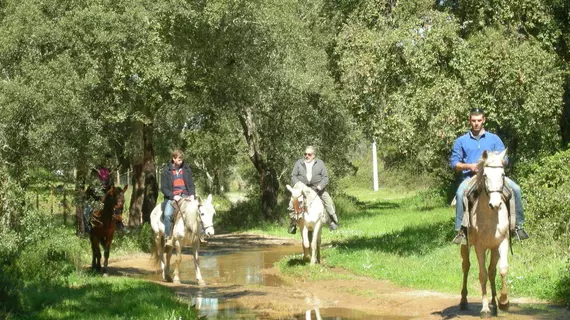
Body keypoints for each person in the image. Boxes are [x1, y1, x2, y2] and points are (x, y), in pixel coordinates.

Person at [450, 108, 529, 244]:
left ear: (484, 120)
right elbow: (454, 163)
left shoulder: (494, 139)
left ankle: (517, 227)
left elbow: (506, 159)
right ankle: (461, 231)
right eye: (474, 121)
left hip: (493, 176)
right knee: (460, 191)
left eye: (479, 120)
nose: (476, 123)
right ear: (470, 121)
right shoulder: (461, 141)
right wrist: (469, 166)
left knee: (516, 189)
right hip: (472, 177)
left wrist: (499, 162)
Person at [287, 146, 339, 234]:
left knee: (329, 203)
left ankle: (333, 222)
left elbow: (325, 178)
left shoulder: (320, 163)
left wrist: (320, 186)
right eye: (305, 154)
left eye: (309, 154)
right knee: (292, 204)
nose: (307, 156)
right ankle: (293, 224)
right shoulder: (299, 163)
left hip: (318, 189)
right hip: (302, 190)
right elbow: (293, 176)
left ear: (313, 155)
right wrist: (299, 185)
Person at [160, 149, 195, 247]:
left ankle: (200, 234)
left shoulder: (187, 169)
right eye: (179, 160)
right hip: (173, 197)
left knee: (198, 210)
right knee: (167, 215)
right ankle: (168, 238)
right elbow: (163, 188)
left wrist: (192, 194)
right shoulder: (166, 171)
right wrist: (173, 196)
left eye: (181, 160)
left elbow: (191, 185)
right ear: (173, 159)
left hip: (186, 195)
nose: (180, 162)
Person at [83, 160, 113, 233]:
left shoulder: (107, 184)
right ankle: (88, 231)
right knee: (85, 212)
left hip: (101, 203)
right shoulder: (93, 184)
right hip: (93, 202)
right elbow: (88, 193)